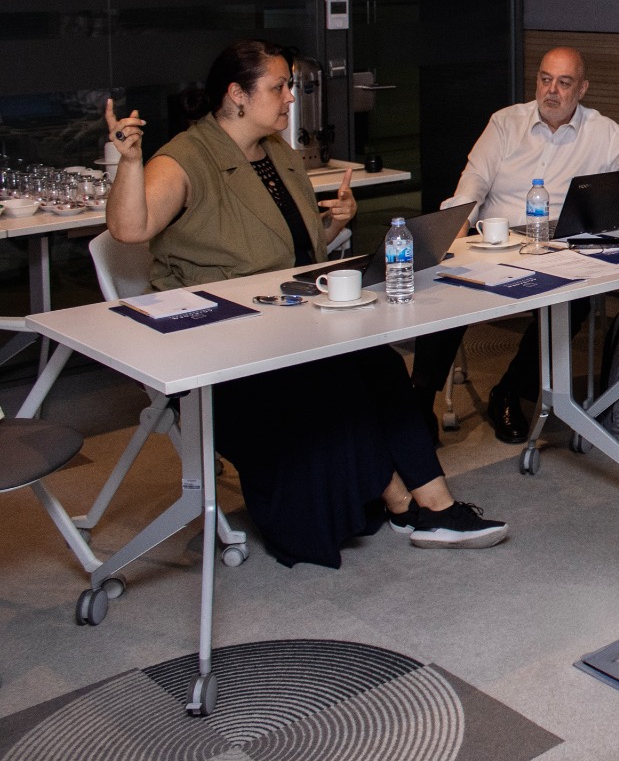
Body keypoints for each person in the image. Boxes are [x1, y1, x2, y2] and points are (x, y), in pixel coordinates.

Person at [103, 39, 507, 566]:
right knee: (339, 376)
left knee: (380, 363)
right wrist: (130, 162)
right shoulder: (186, 158)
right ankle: (409, 504)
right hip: (224, 344)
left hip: (291, 321)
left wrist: (333, 224)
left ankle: (433, 504)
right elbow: (129, 228)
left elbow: (284, 248)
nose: (291, 98)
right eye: (279, 87)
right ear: (237, 95)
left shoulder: (276, 153)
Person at [410, 46, 619, 443]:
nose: (551, 91)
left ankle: (510, 391)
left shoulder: (602, 131)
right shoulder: (505, 123)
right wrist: (457, 223)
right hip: (495, 243)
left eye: (564, 83)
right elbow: (473, 182)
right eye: (545, 79)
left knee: (573, 301)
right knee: (445, 283)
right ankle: (419, 400)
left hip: (558, 248)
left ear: (582, 89)